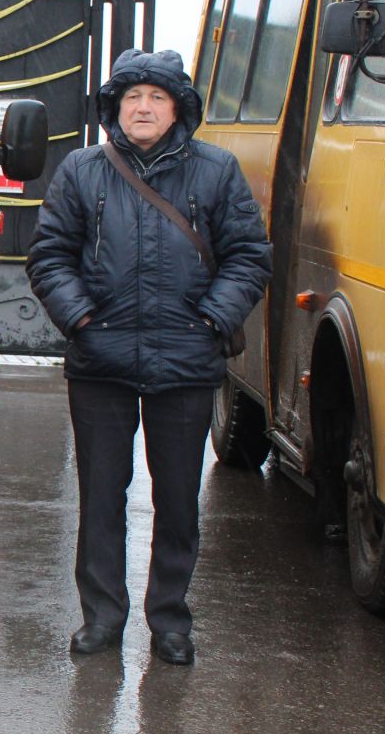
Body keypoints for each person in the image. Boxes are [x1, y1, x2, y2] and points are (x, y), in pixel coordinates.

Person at [26, 48, 271, 665]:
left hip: (185, 363)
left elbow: (248, 255)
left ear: (178, 107)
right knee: (102, 495)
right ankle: (102, 618)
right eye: (131, 96)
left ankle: (170, 622)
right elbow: (50, 254)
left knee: (179, 499)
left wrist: (213, 318)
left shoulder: (217, 171)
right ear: (114, 107)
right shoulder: (83, 170)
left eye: (156, 97)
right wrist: (81, 319)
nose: (142, 107)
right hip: (101, 362)